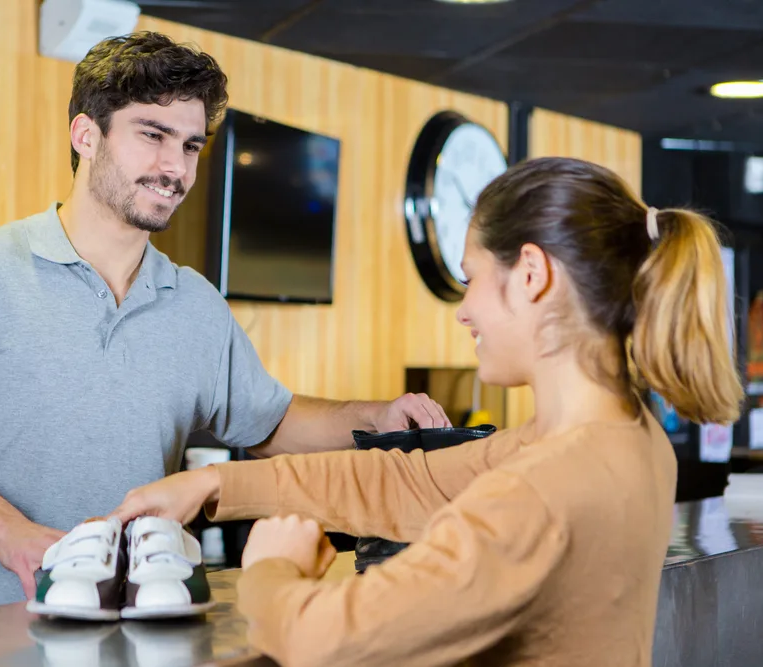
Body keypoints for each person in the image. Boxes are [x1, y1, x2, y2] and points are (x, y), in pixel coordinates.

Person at [0, 31, 450, 618]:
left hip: (134, 629)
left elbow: (271, 423)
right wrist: (6, 528)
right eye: (152, 135)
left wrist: (375, 417)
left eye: (191, 146)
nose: (176, 168)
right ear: (86, 135)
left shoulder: (195, 303)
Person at [112, 156, 745, 667]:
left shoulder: (544, 489)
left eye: (470, 280)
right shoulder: (620, 438)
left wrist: (272, 568)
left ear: (531, 275)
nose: (464, 311)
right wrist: (218, 482)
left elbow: (323, 641)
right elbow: (409, 479)